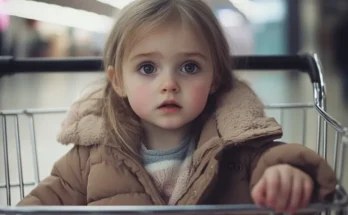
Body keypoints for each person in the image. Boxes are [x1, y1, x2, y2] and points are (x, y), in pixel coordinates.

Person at [18, 0, 337, 213]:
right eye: (147, 68)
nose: (168, 84)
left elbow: (276, 158)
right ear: (118, 82)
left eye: (189, 67)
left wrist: (285, 173)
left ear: (214, 78)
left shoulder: (239, 148)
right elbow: (44, 201)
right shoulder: (87, 160)